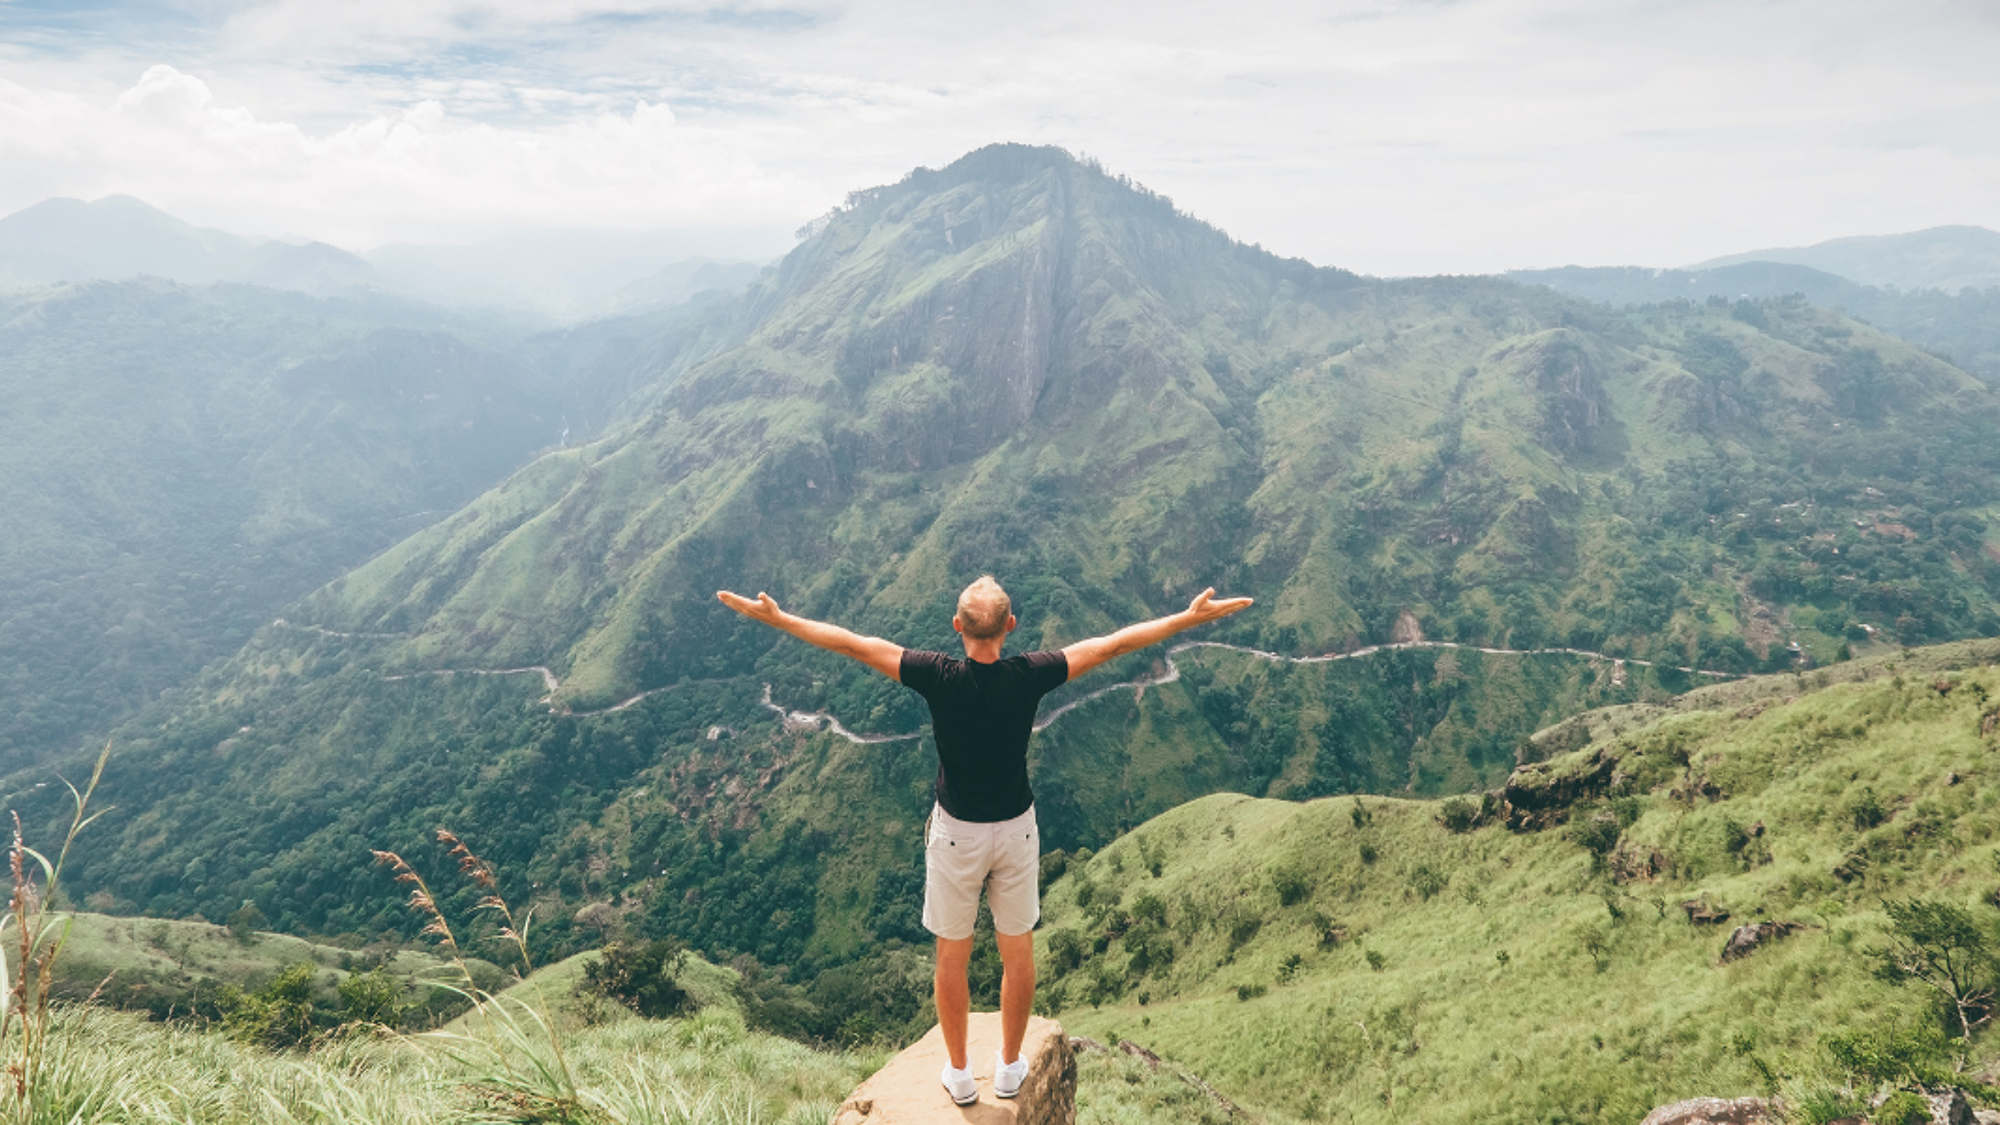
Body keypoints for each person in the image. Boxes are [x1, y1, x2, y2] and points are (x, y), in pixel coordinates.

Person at [717, 575, 1252, 1106]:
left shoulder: (936, 676)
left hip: (956, 836)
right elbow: (1113, 644)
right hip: (1016, 831)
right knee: (1016, 951)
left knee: (952, 956)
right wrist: (1186, 618)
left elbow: (853, 644)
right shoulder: (1030, 675)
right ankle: (1010, 1066)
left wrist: (780, 619)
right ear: (1010, 627)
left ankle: (959, 1073)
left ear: (957, 628)